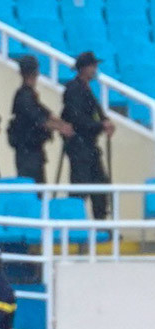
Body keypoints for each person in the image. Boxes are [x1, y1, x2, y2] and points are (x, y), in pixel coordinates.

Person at [62, 51, 115, 221]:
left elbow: (97, 112)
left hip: (90, 146)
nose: (95, 69)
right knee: (80, 186)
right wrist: (100, 125)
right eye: (93, 66)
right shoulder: (73, 89)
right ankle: (73, 224)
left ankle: (101, 223)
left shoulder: (86, 89)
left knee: (100, 185)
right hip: (79, 146)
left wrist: (105, 121)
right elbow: (78, 119)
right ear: (84, 68)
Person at [7, 54, 72, 184]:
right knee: (32, 185)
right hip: (27, 150)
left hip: (34, 150)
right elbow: (38, 119)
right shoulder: (24, 96)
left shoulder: (29, 95)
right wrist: (61, 128)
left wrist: (61, 123)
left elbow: (45, 113)